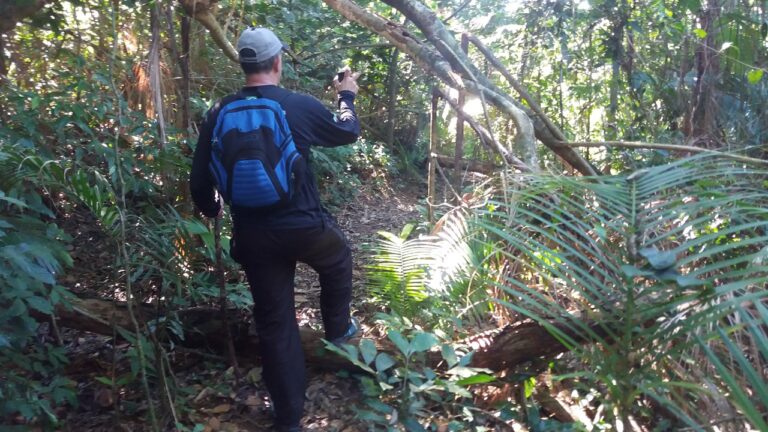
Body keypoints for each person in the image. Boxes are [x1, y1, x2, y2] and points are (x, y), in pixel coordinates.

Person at [189, 27, 361, 432]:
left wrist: (211, 208)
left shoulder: (218, 111)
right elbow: (348, 130)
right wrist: (346, 95)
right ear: (278, 62)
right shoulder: (297, 106)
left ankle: (288, 419)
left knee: (275, 321)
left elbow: (199, 181)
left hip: (253, 235)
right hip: (304, 225)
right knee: (337, 257)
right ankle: (337, 330)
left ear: (243, 63)